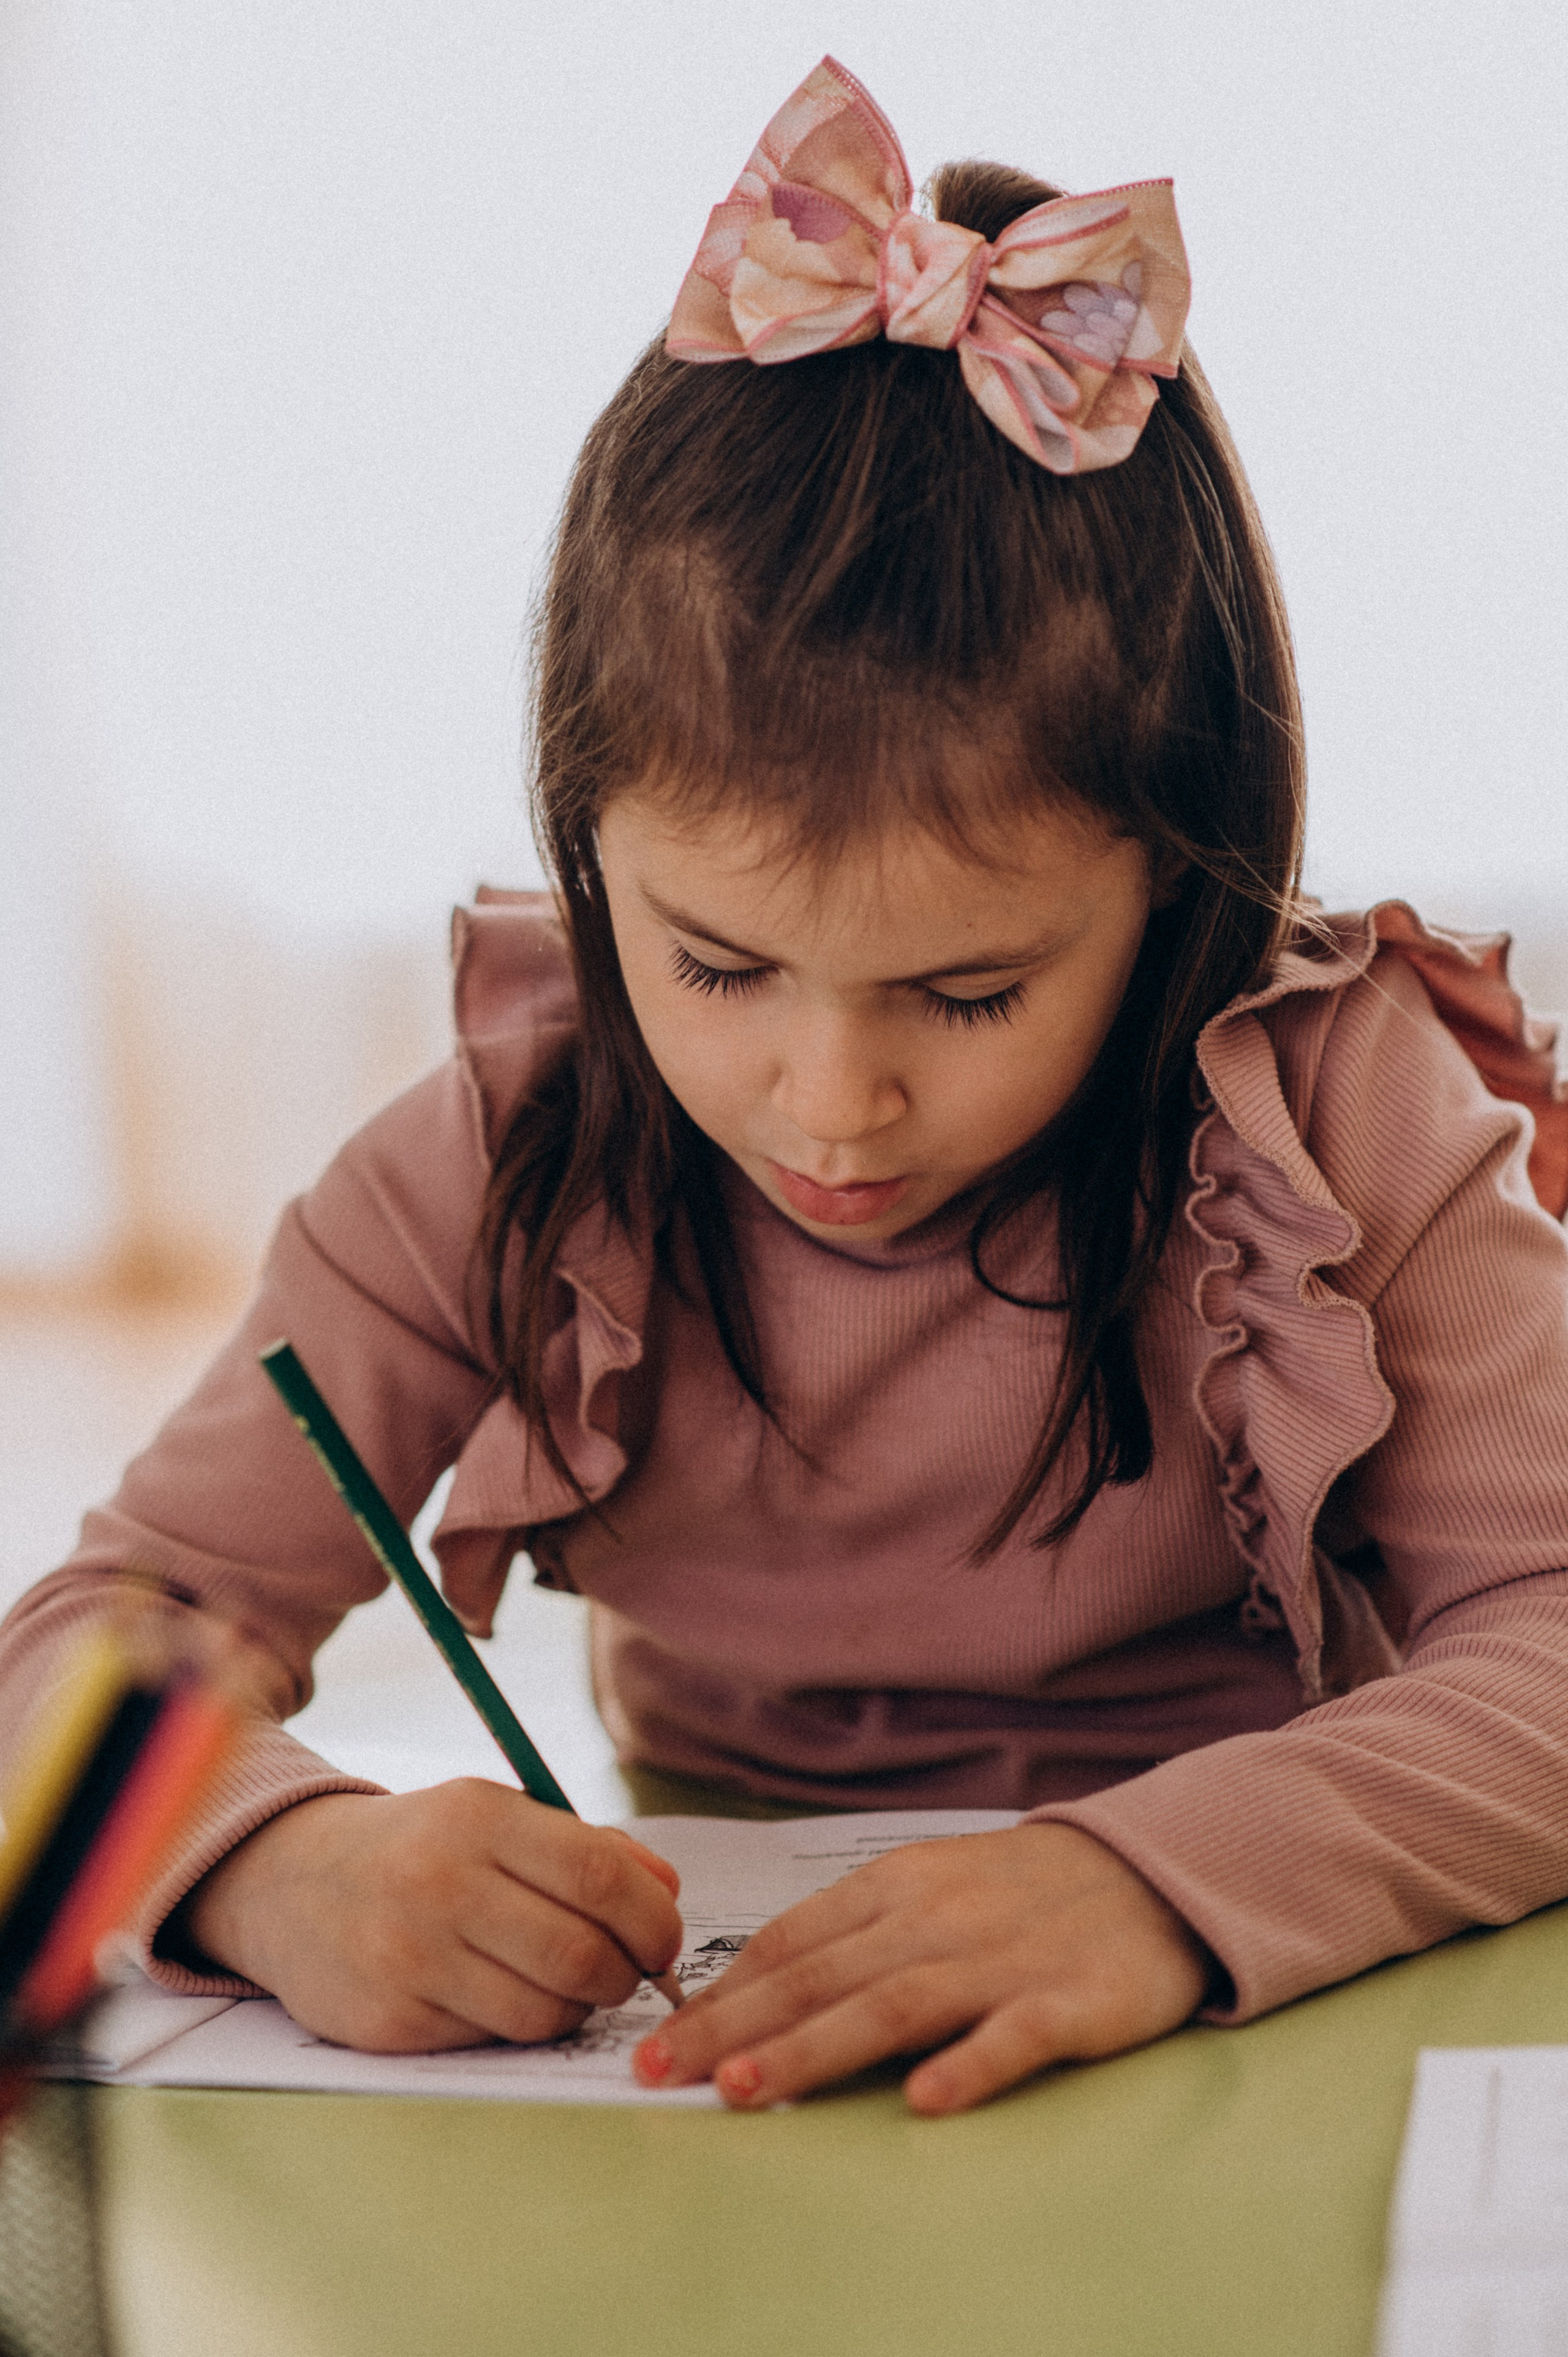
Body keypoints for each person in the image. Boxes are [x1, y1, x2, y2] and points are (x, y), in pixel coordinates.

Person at [5, 58, 1567, 2119]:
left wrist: (1156, 1884)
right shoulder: (503, 1147)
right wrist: (273, 1859)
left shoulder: (1332, 1117)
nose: (830, 1106)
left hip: (1262, 1987)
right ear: (585, 852)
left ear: (1177, 885)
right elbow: (103, 1642)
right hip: (726, 2061)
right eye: (716, 964)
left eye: (972, 991)